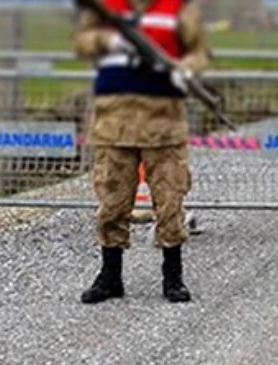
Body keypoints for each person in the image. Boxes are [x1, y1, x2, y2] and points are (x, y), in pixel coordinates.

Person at [72, 0, 211, 304]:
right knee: (112, 200)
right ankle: (110, 277)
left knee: (169, 200)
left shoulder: (177, 8)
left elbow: (199, 54)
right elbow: (81, 43)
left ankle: (172, 278)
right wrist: (106, 39)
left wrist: (185, 70)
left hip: (164, 122)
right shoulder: (104, 7)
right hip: (114, 121)